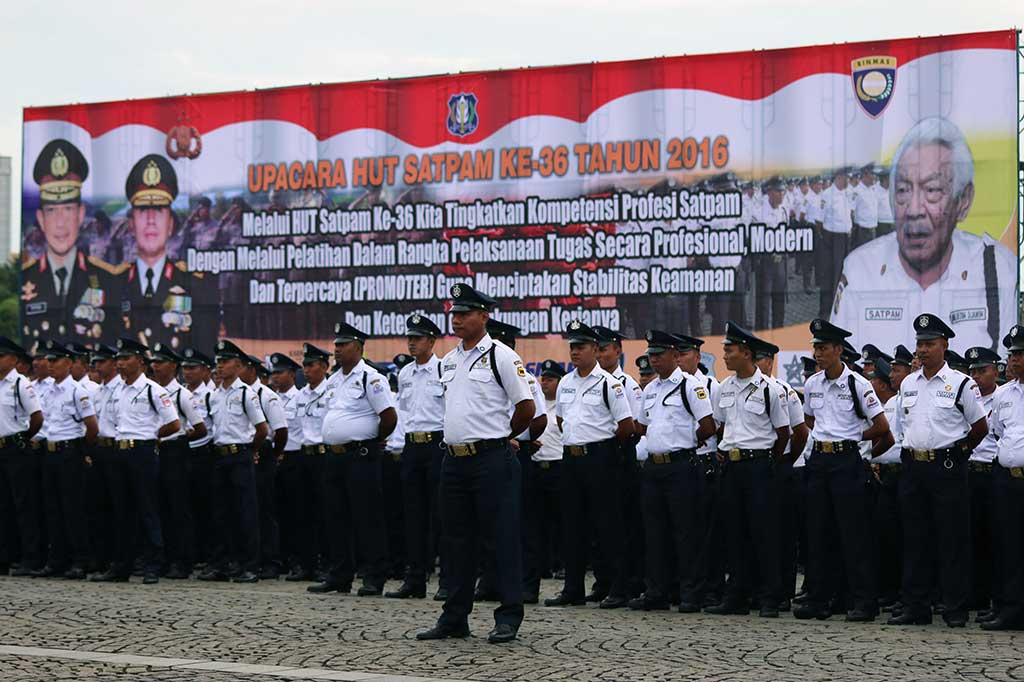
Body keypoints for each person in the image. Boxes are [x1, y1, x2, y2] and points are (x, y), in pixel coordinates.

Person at [831, 118, 1017, 352]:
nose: (914, 209)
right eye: (903, 190)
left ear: (964, 200)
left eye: (932, 190)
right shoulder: (860, 269)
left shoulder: (997, 268)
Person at [417, 283, 535, 644]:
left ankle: (508, 615)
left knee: (501, 539)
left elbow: (526, 408)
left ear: (484, 316)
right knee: (456, 542)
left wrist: (502, 437)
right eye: (454, 313)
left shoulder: (501, 355)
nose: (458, 319)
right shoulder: (449, 360)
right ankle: (454, 617)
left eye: (465, 313)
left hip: (490, 459)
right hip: (453, 461)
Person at [888, 313, 987, 627]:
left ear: (944, 345)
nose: (923, 349)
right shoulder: (907, 383)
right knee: (915, 539)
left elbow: (980, 427)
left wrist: (958, 453)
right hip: (914, 468)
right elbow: (902, 426)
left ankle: (954, 607)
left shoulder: (961, 383)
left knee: (951, 540)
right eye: (920, 343)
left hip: (947, 469)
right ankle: (916, 606)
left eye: (930, 343)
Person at [795, 319, 892, 622]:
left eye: (823, 348)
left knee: (854, 535)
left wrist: (851, 441)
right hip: (820, 462)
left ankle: (864, 601)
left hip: (846, 462)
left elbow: (881, 427)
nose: (818, 354)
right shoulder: (812, 384)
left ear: (838, 350)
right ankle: (820, 599)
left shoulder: (857, 384)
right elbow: (810, 422)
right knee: (819, 533)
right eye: (815, 348)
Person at [543, 321, 634, 610]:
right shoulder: (566, 383)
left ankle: (617, 588)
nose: (575, 352)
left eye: (580, 346)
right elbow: (561, 421)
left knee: (608, 526)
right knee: (572, 526)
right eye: (572, 346)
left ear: (595, 349)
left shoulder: (610, 384)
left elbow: (626, 426)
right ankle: (573, 589)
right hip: (571, 458)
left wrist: (601, 448)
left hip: (601, 458)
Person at [705, 322, 791, 618]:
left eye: (729, 350)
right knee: (734, 533)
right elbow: (719, 425)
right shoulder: (723, 388)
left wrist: (769, 461)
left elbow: (784, 433)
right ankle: (736, 597)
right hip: (732, 466)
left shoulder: (770, 389)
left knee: (764, 534)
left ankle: (769, 598)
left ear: (746, 352)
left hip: (759, 466)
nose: (724, 355)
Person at [629, 330, 715, 611]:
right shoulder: (650, 389)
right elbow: (641, 426)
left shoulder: (690, 386)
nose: (654, 361)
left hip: (681, 466)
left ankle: (691, 593)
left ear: (675, 356)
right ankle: (657, 592)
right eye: (651, 355)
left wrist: (685, 442)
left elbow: (707, 426)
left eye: (659, 355)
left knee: (686, 532)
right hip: (654, 467)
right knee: (655, 533)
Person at [307, 322, 395, 597]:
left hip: (361, 455)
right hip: (335, 457)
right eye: (336, 345)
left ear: (358, 347)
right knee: (336, 517)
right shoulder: (333, 379)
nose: (337, 349)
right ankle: (340, 574)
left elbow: (389, 416)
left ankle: (373, 576)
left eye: (342, 345)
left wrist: (372, 441)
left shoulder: (371, 377)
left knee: (367, 517)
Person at [91, 338, 180, 584]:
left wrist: (151, 437)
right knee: (121, 510)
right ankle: (122, 564)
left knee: (147, 509)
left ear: (140, 361)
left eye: (126, 358)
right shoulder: (115, 390)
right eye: (118, 358)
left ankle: (152, 564)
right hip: (118, 453)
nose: (120, 363)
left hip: (142, 453)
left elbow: (174, 424)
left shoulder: (153, 389)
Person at [21, 140, 122, 343]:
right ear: (41, 219)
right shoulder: (26, 278)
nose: (60, 223)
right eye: (52, 211)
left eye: (68, 209)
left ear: (81, 214)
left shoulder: (108, 280)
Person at [118, 154, 217, 352]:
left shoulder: (195, 283)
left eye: (160, 210)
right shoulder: (114, 284)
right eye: (144, 210)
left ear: (170, 224)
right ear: (131, 224)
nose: (151, 220)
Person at [198, 340, 268, 584]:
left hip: (240, 456)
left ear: (238, 366)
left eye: (225, 362)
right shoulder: (213, 396)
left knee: (245, 513)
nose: (220, 366)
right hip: (219, 456)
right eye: (218, 362)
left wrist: (252, 451)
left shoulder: (246, 394)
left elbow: (262, 429)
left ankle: (249, 565)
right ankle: (222, 564)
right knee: (220, 513)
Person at [388, 314, 446, 600]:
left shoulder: (444, 370)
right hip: (412, 446)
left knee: (442, 515)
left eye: (418, 338)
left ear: (432, 341)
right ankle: (415, 579)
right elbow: (405, 414)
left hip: (437, 445)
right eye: (409, 338)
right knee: (413, 515)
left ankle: (447, 579)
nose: (412, 343)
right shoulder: (405, 373)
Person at [33, 339, 98, 579]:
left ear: (69, 363)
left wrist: (83, 452)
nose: (50, 365)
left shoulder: (78, 391)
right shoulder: (47, 390)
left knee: (73, 509)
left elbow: (92, 427)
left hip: (70, 452)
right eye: (48, 361)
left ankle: (80, 560)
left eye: (55, 361)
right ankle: (56, 560)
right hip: (49, 452)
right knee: (52, 509)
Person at [753, 340, 809, 611]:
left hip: (780, 467)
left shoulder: (783, 390)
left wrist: (785, 460)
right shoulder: (738, 388)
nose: (758, 364)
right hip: (754, 468)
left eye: (762, 359)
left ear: (771, 362)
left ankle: (783, 591)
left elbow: (799, 432)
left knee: (781, 533)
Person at [593, 325, 644, 599]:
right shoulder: (587, 381)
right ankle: (602, 581)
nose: (600, 354)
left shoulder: (628, 386)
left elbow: (635, 426)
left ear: (618, 351)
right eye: (597, 349)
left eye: (604, 349)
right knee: (598, 524)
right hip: (596, 459)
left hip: (620, 455)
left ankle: (622, 584)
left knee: (619, 524)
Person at [149, 343, 207, 579]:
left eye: (160, 363)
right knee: (160, 506)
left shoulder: (182, 394)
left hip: (175, 452)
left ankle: (182, 561)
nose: (155, 367)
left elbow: (200, 428)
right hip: (155, 451)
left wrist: (181, 436)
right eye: (154, 362)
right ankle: (163, 557)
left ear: (173, 366)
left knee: (178, 508)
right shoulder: (150, 390)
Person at [675, 333, 724, 606]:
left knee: (706, 531)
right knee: (684, 530)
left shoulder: (711, 385)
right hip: (680, 463)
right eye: (677, 354)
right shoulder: (668, 384)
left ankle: (712, 588)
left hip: (704, 461)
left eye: (685, 354)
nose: (681, 359)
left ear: (697, 356)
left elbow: (718, 423)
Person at [982, 326, 1024, 629]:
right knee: (1008, 546)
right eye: (1012, 354)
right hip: (1008, 480)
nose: (1014, 360)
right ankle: (1009, 608)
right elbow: (997, 433)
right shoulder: (1003, 395)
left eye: (1020, 354)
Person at [240, 354, 288, 580]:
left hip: (264, 453)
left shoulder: (266, 396)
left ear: (251, 370)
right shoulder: (234, 393)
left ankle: (271, 561)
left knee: (265, 509)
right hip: (244, 453)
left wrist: (274, 455)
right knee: (246, 510)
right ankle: (249, 558)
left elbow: (280, 431)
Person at [523, 360, 566, 603]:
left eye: (550, 379)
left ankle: (561, 564)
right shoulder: (537, 406)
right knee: (536, 523)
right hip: (536, 466)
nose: (545, 382)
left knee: (560, 521)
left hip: (558, 466)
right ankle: (542, 565)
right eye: (544, 378)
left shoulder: (562, 405)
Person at [0, 338, 44, 575]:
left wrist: (24, 438)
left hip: (16, 447)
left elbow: (37, 417)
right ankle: (6, 555)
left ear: (14, 359)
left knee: (24, 504)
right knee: (3, 505)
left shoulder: (21, 384)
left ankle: (30, 557)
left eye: (1, 356)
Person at [289, 343, 332, 581]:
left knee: (325, 512)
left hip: (324, 456)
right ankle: (306, 564)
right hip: (303, 456)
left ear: (324, 367)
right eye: (304, 365)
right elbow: (295, 429)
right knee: (302, 513)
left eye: (311, 365)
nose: (306, 370)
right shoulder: (300, 394)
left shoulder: (331, 391)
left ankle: (327, 564)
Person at [964, 346, 1001, 614]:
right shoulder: (966, 397)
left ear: (995, 371)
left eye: (982, 370)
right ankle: (974, 596)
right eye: (973, 371)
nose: (976, 376)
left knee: (996, 539)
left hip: (993, 474)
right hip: (968, 474)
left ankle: (995, 597)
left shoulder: (1004, 397)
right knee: (969, 539)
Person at [867, 358, 904, 610]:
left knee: (906, 537)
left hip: (906, 473)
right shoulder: (892, 403)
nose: (892, 375)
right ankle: (890, 591)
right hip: (887, 474)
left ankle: (904, 593)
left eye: (897, 370)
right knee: (888, 537)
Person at [268, 352, 305, 581]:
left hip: (294, 458)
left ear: (292, 374)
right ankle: (278, 557)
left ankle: (298, 560)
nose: (275, 377)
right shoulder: (271, 399)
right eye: (273, 373)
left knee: (296, 513)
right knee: (275, 511)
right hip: (274, 458)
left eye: (279, 373)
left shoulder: (299, 398)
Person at [181, 348, 216, 568]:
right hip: (183, 453)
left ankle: (208, 554)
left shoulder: (211, 394)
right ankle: (191, 553)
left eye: (192, 368)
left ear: (205, 370)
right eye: (185, 368)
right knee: (186, 505)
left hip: (205, 452)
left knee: (207, 506)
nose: (187, 372)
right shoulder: (181, 393)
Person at [817, 168, 853, 317]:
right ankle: (826, 311)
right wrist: (825, 240)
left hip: (845, 238)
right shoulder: (826, 195)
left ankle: (840, 308)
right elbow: (818, 221)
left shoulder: (847, 193)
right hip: (832, 239)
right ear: (839, 177)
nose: (848, 181)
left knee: (843, 275)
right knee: (830, 276)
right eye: (846, 178)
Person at [754, 177, 790, 329]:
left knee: (779, 300)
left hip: (780, 261)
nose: (781, 195)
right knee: (763, 303)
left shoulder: (783, 211)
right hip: (765, 262)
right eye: (778, 191)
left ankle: (778, 331)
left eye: (783, 191)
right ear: (769, 192)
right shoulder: (758, 213)